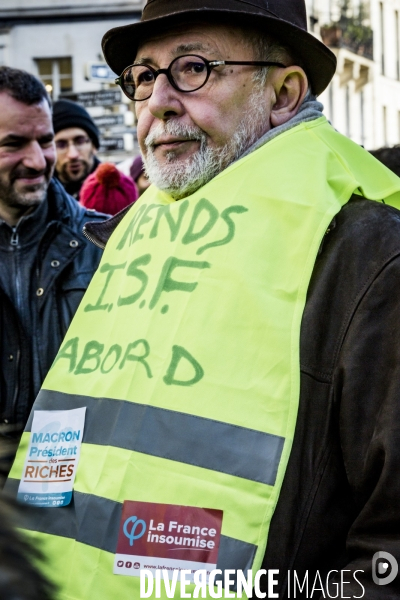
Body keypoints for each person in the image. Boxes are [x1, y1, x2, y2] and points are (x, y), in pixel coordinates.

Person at [7, 1, 400, 598]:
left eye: (193, 68)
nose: (158, 100)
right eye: (142, 76)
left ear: (284, 94)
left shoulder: (369, 256)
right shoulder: (132, 236)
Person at [0, 67, 106, 476]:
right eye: (13, 144)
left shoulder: (105, 240)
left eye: (44, 141)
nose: (38, 159)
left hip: (80, 476)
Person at [52, 99, 100, 199]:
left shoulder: (118, 190)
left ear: (94, 146)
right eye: (61, 145)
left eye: (80, 141)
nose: (72, 155)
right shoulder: (37, 197)